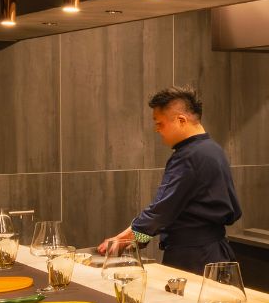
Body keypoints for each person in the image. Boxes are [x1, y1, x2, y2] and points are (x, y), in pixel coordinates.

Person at [97, 86, 241, 273]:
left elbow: (162, 212)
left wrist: (123, 239)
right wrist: (131, 237)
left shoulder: (189, 156)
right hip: (215, 252)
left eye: (160, 123)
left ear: (181, 120)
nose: (157, 130)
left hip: (194, 258)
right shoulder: (212, 149)